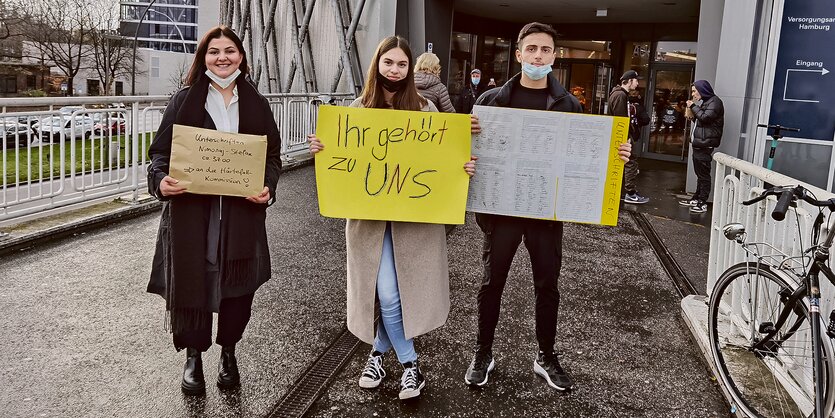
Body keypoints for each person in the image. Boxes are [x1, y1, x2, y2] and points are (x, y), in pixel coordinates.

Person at [307, 35, 478, 401]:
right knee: (385, 291)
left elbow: (443, 160)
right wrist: (322, 148)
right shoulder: (356, 109)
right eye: (389, 63)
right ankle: (411, 364)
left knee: (399, 292)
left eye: (402, 64)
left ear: (410, 69)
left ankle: (378, 355)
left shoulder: (425, 110)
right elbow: (340, 162)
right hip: (369, 221)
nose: (395, 70)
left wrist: (460, 166)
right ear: (377, 65)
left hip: (413, 222)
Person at [463, 22, 631, 391]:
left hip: (546, 212)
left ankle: (546, 356)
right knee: (492, 284)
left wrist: (616, 154)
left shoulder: (569, 104)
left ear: (554, 57)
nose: (538, 56)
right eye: (532, 49)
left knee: (547, 286)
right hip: (502, 211)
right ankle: (483, 352)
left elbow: (582, 156)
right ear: (519, 54)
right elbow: (468, 153)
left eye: (545, 50)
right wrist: (466, 145)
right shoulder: (490, 102)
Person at [146, 25, 282, 396]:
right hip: (193, 216)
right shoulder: (184, 99)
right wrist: (160, 181)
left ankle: (229, 352)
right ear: (203, 57)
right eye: (214, 51)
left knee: (238, 287)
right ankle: (193, 354)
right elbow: (159, 155)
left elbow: (271, 157)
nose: (222, 57)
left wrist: (268, 187)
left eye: (230, 51)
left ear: (241, 56)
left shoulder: (256, 103)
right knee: (195, 278)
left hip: (240, 217)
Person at [679, 80, 724, 214]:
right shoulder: (706, 102)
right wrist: (692, 114)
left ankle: (702, 202)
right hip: (700, 143)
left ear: (702, 90)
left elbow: (705, 118)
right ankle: (696, 198)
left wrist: (693, 106)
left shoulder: (715, 102)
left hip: (706, 144)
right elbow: (701, 121)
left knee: (703, 175)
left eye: (694, 91)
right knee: (700, 173)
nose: (693, 94)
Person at [608, 70, 649, 204]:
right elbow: (621, 120)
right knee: (631, 162)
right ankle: (630, 193)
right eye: (636, 80)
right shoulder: (620, 95)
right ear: (630, 81)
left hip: (621, 136)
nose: (637, 83)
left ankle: (628, 192)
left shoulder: (620, 94)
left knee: (628, 163)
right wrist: (625, 138)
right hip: (622, 137)